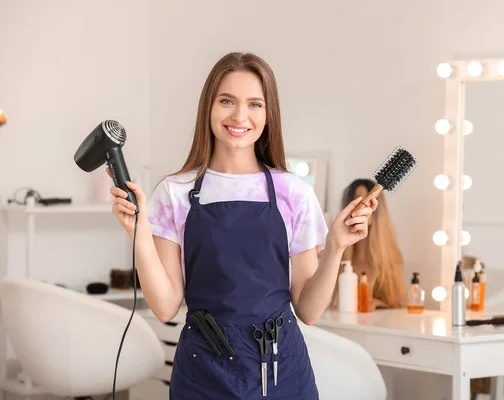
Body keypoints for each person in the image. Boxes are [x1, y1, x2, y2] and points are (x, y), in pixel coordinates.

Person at [107, 52, 377, 399]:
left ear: (268, 114)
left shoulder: (293, 192)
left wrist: (336, 246)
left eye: (254, 104)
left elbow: (308, 310)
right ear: (209, 107)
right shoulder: (174, 192)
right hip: (203, 372)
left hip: (282, 372)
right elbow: (165, 306)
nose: (239, 116)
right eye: (226, 101)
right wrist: (138, 232)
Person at [332, 178, 407, 311]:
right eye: (358, 200)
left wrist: (377, 302)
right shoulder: (336, 257)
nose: (365, 205)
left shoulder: (391, 259)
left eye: (367, 199)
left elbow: (399, 302)